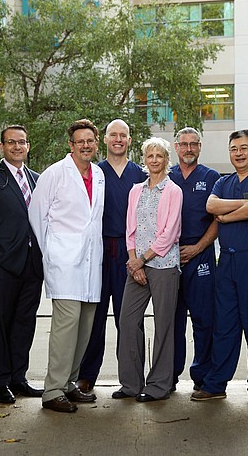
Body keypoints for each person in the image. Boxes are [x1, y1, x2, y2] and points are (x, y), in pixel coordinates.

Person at [191, 129, 248, 406]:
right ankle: (216, 383)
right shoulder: (223, 182)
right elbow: (211, 205)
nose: (239, 153)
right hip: (226, 262)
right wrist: (246, 205)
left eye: (244, 148)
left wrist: (227, 218)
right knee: (225, 324)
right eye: (234, 149)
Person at [28, 119, 106, 413]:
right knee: (66, 327)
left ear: (96, 143)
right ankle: (52, 391)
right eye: (80, 141)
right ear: (70, 145)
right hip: (64, 261)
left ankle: (70, 384)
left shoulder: (98, 174)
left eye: (90, 140)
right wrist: (53, 251)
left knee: (84, 326)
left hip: (89, 262)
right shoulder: (55, 173)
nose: (86, 145)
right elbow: (37, 215)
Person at [0, 125, 44, 404]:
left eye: (22, 142)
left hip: (32, 266)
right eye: (11, 142)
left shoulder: (36, 180)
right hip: (3, 267)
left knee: (24, 324)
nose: (17, 147)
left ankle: (18, 377)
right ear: (2, 146)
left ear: (28, 146)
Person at [75, 119, 147, 394]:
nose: (118, 139)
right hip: (98, 253)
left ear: (130, 140)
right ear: (104, 140)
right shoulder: (94, 172)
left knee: (129, 319)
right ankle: (86, 376)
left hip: (130, 255)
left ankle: (132, 379)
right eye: (113, 135)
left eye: (123, 135)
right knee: (94, 317)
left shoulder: (140, 174)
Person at [112, 137, 182, 402]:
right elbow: (130, 229)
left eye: (159, 156)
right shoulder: (135, 190)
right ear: (144, 159)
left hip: (163, 265)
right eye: (150, 155)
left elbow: (170, 233)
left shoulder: (173, 191)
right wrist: (133, 260)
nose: (154, 160)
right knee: (127, 321)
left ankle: (158, 385)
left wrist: (142, 260)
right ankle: (130, 383)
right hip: (136, 265)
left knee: (163, 325)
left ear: (166, 160)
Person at [169, 128, 220, 391]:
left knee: (204, 320)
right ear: (176, 147)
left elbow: (217, 220)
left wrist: (198, 247)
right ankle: (170, 375)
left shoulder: (212, 178)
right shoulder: (166, 177)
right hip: (169, 260)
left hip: (201, 258)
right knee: (171, 321)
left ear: (200, 147)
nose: (189, 149)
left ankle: (202, 376)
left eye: (194, 144)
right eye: (184, 144)